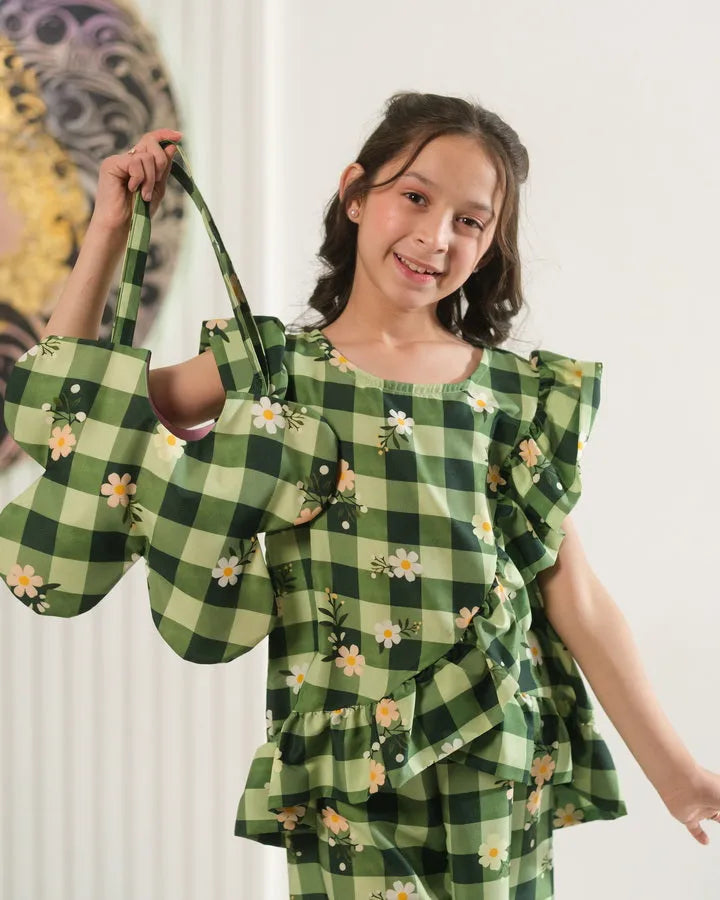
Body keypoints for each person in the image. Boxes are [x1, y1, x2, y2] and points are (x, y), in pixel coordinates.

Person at [37, 94, 720, 899]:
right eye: (416, 197)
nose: (436, 236)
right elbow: (72, 414)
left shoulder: (513, 394)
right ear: (356, 194)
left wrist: (676, 773)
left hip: (497, 737)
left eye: (471, 220)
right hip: (342, 754)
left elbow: (572, 590)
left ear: (490, 244)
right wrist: (110, 229)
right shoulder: (273, 372)